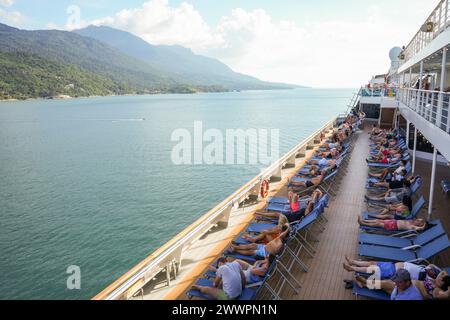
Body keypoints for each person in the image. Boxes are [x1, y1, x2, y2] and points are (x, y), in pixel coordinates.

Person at [343, 256, 441, 281]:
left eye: (433, 272)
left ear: (434, 276)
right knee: (372, 263)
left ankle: (352, 268)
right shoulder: (427, 269)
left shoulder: (428, 280)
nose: (431, 270)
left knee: (373, 268)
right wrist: (435, 271)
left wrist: (434, 276)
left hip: (394, 272)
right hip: (392, 265)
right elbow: (432, 266)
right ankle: (353, 262)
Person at [256, 189, 323, 224]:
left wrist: (315, 194)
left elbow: (312, 201)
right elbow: (314, 200)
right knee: (277, 215)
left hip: (291, 218)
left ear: (309, 205)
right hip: (291, 215)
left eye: (309, 204)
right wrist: (316, 193)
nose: (308, 203)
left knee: (276, 215)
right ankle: (261, 216)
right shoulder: (308, 210)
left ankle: (261, 216)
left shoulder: (307, 210)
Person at [357, 216, 426, 232]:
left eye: (418, 221)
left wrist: (424, 224)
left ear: (419, 224)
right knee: (378, 220)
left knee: (378, 224)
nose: (416, 220)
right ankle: (364, 220)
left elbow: (421, 228)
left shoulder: (413, 226)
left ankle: (363, 223)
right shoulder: (412, 221)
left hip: (393, 226)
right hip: (393, 222)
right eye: (418, 219)